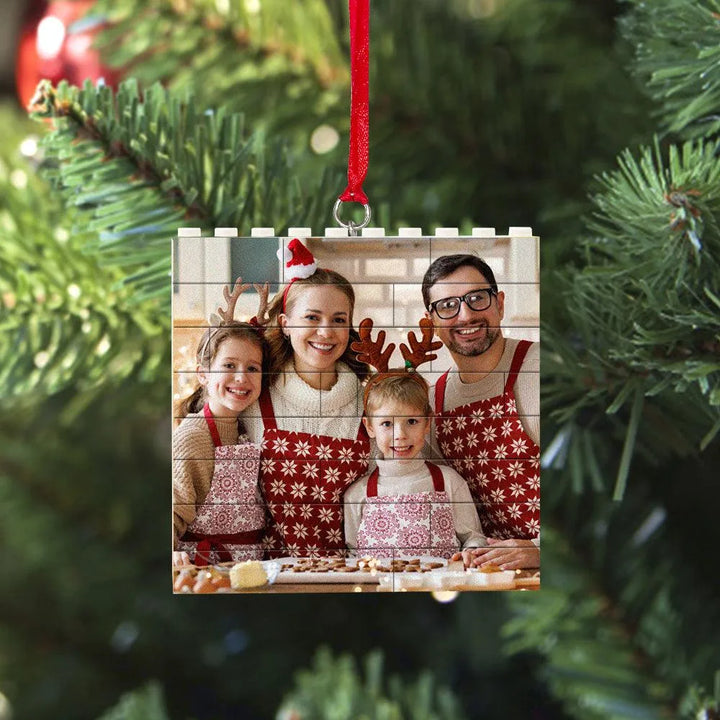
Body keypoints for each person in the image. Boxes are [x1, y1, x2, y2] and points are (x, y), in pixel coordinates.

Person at [240, 239, 370, 558]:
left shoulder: (372, 403)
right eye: (312, 318)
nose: (326, 332)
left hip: (354, 575)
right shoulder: (253, 400)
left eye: (339, 320)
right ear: (285, 325)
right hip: (272, 578)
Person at [422, 254, 540, 570]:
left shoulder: (542, 370)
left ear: (499, 304)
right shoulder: (432, 403)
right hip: (484, 574)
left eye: (477, 298)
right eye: (447, 305)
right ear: (431, 322)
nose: (465, 315)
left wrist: (541, 551)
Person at [343, 327, 487, 557]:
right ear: (370, 427)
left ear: (427, 422)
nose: (400, 434)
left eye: (411, 421)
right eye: (387, 424)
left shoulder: (448, 482)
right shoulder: (357, 494)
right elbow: (352, 554)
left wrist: (472, 552)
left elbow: (474, 538)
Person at [172, 280, 267, 566]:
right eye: (229, 366)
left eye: (252, 368)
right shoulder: (194, 436)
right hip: (208, 569)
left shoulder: (248, 429)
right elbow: (174, 508)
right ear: (203, 374)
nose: (242, 377)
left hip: (250, 569)